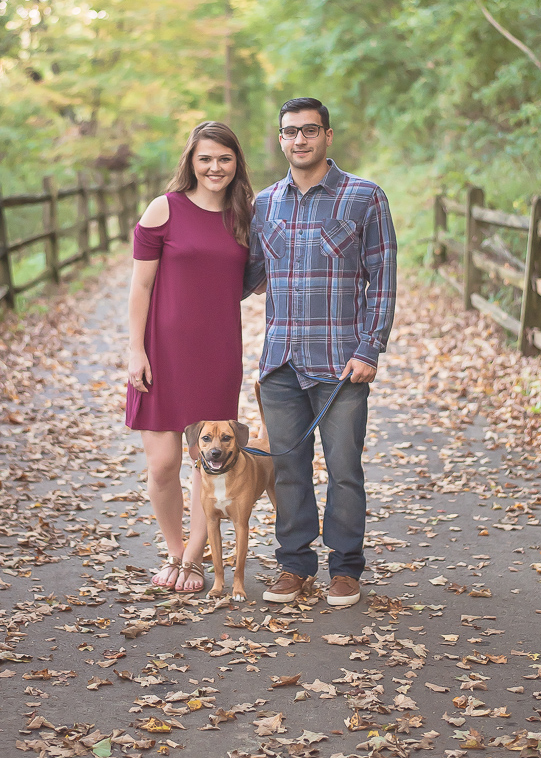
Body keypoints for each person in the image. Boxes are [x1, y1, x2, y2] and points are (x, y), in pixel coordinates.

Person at [245, 97, 396, 607]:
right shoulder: (264, 204)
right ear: (280, 138)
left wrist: (369, 348)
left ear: (328, 136)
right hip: (282, 361)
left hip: (342, 365)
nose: (300, 140)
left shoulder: (364, 197)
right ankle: (293, 567)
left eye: (310, 130)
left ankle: (346, 569)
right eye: (290, 131)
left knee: (344, 469)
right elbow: (242, 277)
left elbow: (383, 281)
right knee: (288, 469)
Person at [126, 122, 253, 593]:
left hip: (217, 354)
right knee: (162, 464)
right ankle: (175, 551)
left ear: (236, 162)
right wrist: (135, 349)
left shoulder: (246, 216)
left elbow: (259, 275)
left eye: (224, 158)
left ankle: (196, 560)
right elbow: (140, 284)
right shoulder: (165, 209)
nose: (215, 167)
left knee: (209, 463)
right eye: (206, 158)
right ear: (191, 162)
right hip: (162, 351)